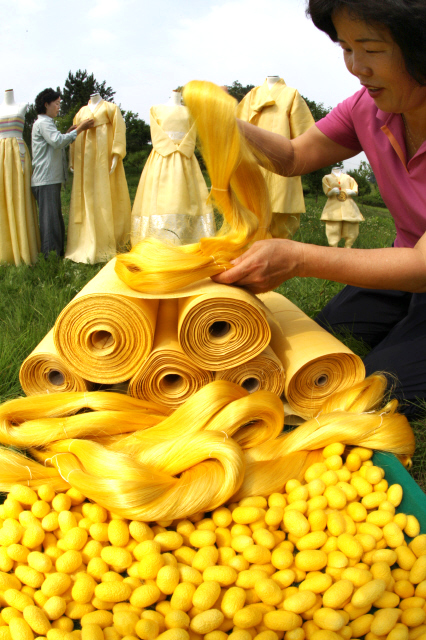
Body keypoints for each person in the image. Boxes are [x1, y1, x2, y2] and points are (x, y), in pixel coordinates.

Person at [212, 0, 426, 418]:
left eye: (372, 48)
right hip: (405, 268)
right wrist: (227, 120)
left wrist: (299, 258)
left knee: (373, 387)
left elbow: (422, 267)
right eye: (346, 48)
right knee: (323, 334)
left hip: (418, 268)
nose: (356, 66)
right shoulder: (369, 107)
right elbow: (293, 157)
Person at [31, 88, 94, 257]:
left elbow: (54, 143)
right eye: (57, 104)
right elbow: (58, 142)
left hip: (49, 179)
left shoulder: (46, 123)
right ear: (46, 104)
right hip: (45, 180)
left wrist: (68, 133)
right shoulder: (43, 123)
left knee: (54, 219)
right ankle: (50, 257)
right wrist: (80, 128)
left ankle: (55, 254)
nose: (59, 107)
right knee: (49, 221)